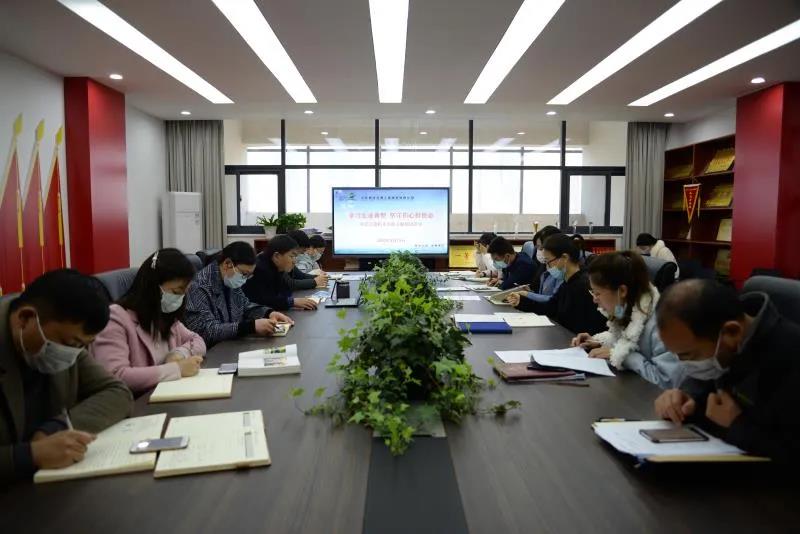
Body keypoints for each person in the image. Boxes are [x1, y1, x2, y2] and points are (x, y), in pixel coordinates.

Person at [1, 269, 132, 483]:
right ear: (25, 318)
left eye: (83, 345)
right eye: (71, 343)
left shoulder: (70, 342)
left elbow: (117, 392)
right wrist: (30, 455)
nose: (74, 353)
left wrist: (58, 426)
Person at [653, 280, 800, 462]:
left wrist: (737, 424)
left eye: (689, 355)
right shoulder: (724, 345)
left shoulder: (790, 358)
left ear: (732, 332)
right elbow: (704, 384)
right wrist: (685, 397)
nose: (686, 365)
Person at [91, 249, 207, 395]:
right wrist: (177, 369)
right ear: (152, 286)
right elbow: (116, 375)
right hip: (136, 402)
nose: (180, 299)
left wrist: (180, 353)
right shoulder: (116, 318)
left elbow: (197, 340)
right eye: (176, 292)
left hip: (167, 395)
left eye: (184, 293)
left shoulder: (164, 315)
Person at [571, 251, 681, 388]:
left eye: (597, 293)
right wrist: (597, 341)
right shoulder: (627, 307)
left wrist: (622, 356)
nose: (594, 300)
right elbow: (624, 338)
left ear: (622, 291)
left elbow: (668, 382)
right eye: (592, 292)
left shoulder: (662, 325)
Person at [184, 241, 293, 346]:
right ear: (227, 264)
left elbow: (245, 306)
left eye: (249, 275)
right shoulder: (199, 286)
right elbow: (205, 331)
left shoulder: (228, 278)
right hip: (211, 351)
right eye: (244, 274)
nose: (244, 280)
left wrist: (268, 313)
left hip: (230, 344)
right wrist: (250, 327)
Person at [507, 234, 606, 335]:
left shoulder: (583, 285)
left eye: (548, 261)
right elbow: (551, 307)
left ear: (564, 258)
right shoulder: (567, 282)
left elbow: (582, 325)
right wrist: (521, 301)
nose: (547, 266)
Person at [244, 235, 319, 311]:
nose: (294, 261)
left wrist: (292, 301)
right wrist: (292, 302)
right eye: (291, 256)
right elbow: (264, 301)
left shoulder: (277, 266)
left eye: (295, 257)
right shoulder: (260, 269)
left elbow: (284, 289)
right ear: (276, 256)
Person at [517, 226, 562, 304]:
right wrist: (531, 292)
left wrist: (529, 295)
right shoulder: (543, 266)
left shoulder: (561, 271)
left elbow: (554, 300)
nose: (540, 252)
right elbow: (540, 292)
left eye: (541, 248)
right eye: (537, 248)